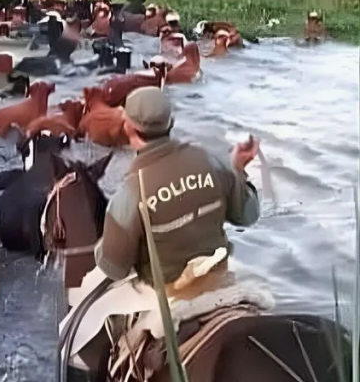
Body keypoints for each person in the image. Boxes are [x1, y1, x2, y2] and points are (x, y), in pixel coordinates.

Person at [63, 86, 261, 370]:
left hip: (164, 292)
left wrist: (102, 248)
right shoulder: (212, 160)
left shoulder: (129, 195)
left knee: (75, 332)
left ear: (128, 127)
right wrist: (238, 169)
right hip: (218, 273)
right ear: (171, 123)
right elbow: (249, 215)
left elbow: (114, 269)